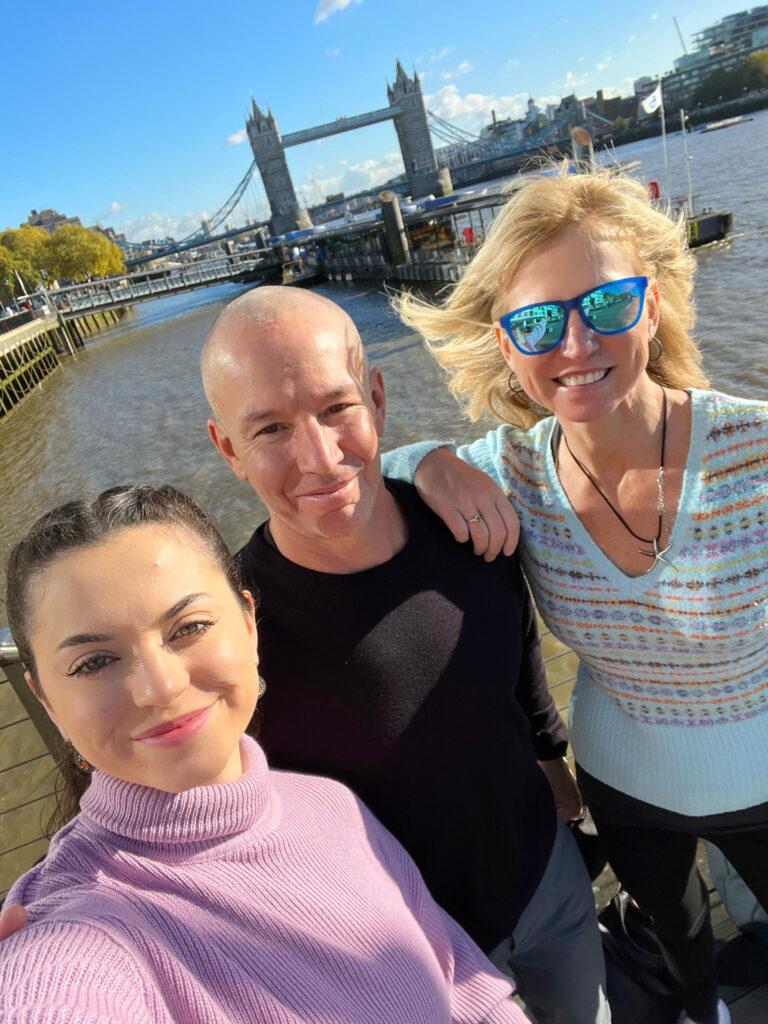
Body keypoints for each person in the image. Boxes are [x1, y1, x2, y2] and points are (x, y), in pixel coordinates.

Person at [384, 164, 768, 1024]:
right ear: (506, 341)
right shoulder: (508, 473)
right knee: (676, 938)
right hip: (623, 783)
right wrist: (425, 460)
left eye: (604, 306)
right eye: (536, 322)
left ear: (653, 306)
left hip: (765, 777)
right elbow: (356, 480)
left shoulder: (756, 450)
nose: (575, 346)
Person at [199, 285, 610, 1024]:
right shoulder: (231, 634)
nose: (319, 459)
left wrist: (558, 772)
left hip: (547, 881)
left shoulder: (469, 524)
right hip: (408, 961)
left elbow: (519, 671)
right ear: (226, 448)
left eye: (336, 410)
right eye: (268, 430)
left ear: (378, 400)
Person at [0, 484, 524, 1024]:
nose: (159, 687)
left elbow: (462, 984)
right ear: (48, 704)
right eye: (94, 662)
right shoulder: (81, 923)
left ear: (249, 626)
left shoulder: (328, 804)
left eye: (190, 627)